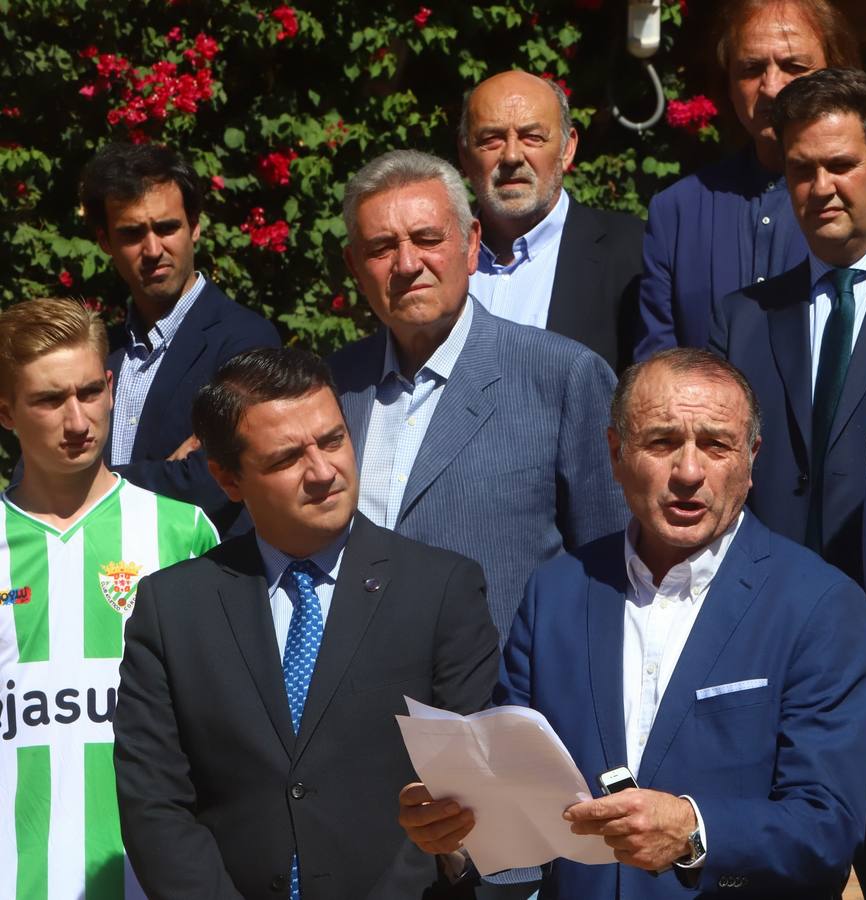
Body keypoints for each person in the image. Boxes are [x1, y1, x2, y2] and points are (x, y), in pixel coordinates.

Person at [397, 349, 866, 899]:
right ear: (615, 453)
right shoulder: (557, 591)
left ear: (750, 460)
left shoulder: (819, 605)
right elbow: (518, 796)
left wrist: (694, 831)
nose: (689, 472)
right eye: (662, 442)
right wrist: (458, 831)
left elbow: (827, 827)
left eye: (717, 445)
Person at [114, 347, 500, 898]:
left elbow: (473, 805)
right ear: (227, 479)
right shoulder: (172, 609)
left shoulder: (441, 591)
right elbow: (156, 806)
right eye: (286, 459)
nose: (323, 472)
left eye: (334, 440)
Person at [708, 66, 866, 899]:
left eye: (839, 164)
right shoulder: (746, 315)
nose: (819, 187)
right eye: (800, 170)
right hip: (773, 653)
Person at [328, 150, 628, 641]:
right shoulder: (335, 385)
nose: (407, 264)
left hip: (500, 700)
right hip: (355, 700)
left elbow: (612, 566)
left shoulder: (562, 377)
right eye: (382, 247)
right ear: (355, 265)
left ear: (470, 245)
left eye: (427, 239)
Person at [0, 298, 217, 899]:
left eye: (90, 392)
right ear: (5, 410)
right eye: (48, 400)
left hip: (154, 883)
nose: (77, 421)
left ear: (111, 384)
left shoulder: (184, 531)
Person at [635, 0, 866, 358]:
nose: (771, 87)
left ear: (836, 70)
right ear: (728, 82)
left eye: (793, 66)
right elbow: (656, 365)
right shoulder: (677, 212)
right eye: (751, 68)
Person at [80, 143, 280, 534]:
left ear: (195, 226)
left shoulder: (245, 339)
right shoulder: (100, 351)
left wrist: (86, 486)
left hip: (200, 580)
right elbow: (37, 471)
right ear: (105, 241)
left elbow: (216, 484)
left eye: (167, 227)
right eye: (132, 233)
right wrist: (168, 474)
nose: (153, 249)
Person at [460, 70, 644, 371]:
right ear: (465, 154)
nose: (512, 157)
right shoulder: (436, 256)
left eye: (532, 137)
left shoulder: (635, 253)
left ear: (567, 148)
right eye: (491, 139)